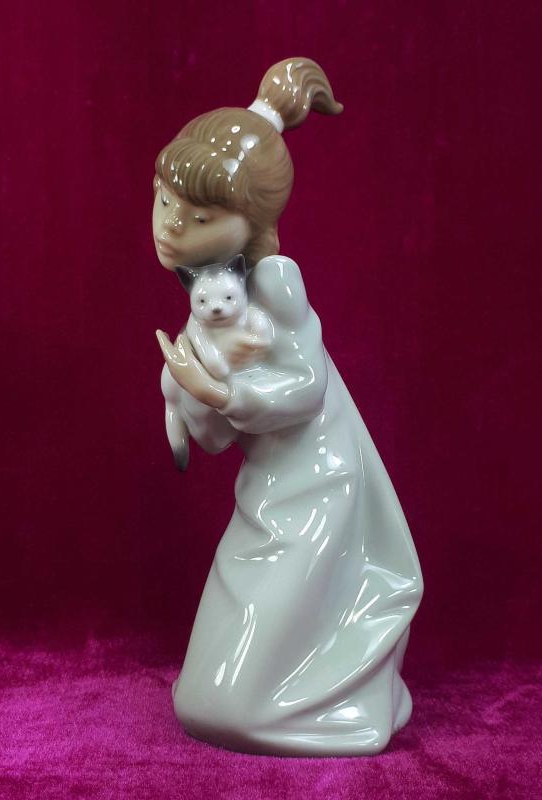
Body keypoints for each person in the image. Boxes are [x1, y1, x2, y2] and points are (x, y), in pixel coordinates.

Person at [154, 58, 423, 756]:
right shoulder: (210, 298)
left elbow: (304, 389)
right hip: (267, 492)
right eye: (164, 203)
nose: (170, 228)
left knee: (234, 707)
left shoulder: (273, 282)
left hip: (319, 487)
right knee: (202, 698)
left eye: (198, 217)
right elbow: (215, 441)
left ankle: (357, 696)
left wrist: (216, 391)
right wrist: (187, 396)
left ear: (249, 224)